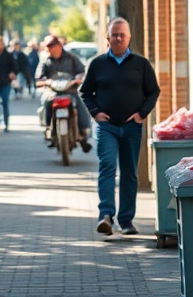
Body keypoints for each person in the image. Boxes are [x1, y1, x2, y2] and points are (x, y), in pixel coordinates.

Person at [80, 17, 160, 237]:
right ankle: (105, 215)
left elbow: (153, 91)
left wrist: (142, 114)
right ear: (107, 38)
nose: (118, 38)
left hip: (132, 128)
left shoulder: (141, 64)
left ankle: (126, 221)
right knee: (107, 167)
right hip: (107, 128)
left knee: (129, 174)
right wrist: (96, 113)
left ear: (129, 37)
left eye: (122, 34)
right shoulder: (97, 64)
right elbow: (85, 92)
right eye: (114, 34)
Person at [35, 35, 92, 152]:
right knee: (45, 104)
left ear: (59, 46)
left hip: (71, 92)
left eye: (52, 47)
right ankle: (48, 130)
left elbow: (82, 71)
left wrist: (78, 78)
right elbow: (38, 78)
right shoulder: (46, 61)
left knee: (82, 107)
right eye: (48, 48)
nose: (51, 50)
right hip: (53, 93)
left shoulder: (72, 58)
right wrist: (45, 81)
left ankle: (84, 135)